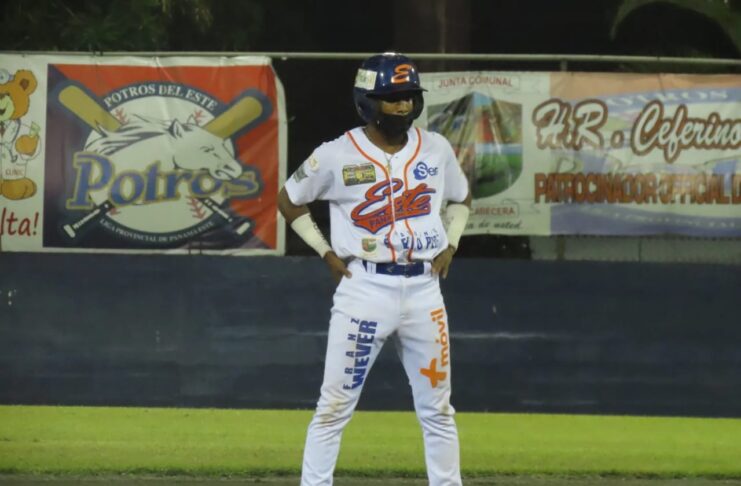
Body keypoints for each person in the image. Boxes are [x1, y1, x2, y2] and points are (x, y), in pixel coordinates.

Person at [278, 52, 472, 486]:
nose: (403, 105)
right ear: (368, 101)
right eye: (393, 97)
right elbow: (289, 198)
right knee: (333, 407)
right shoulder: (336, 154)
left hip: (424, 289)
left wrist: (452, 241)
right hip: (365, 288)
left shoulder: (435, 148)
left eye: (409, 96)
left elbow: (462, 197)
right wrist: (325, 252)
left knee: (439, 409)